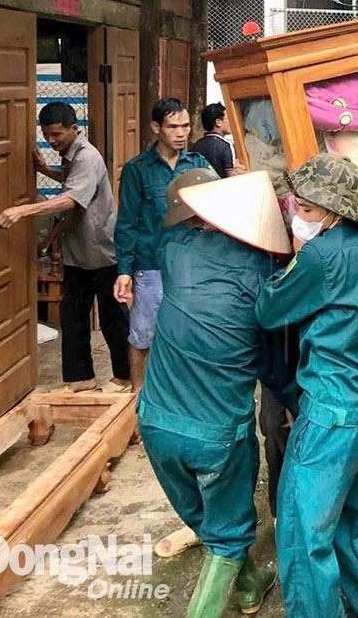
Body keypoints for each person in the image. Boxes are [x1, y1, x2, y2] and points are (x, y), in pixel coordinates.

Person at [255, 153, 358, 618]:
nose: (298, 216)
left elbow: (269, 310)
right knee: (345, 523)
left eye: (307, 209)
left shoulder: (321, 256)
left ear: (335, 212)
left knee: (302, 536)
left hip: (330, 413)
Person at [137, 169, 289, 617]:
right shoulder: (263, 272)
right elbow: (273, 355)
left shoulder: (176, 251)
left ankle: (246, 588)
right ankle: (221, 587)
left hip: (155, 423)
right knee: (226, 536)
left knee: (209, 519)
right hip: (217, 435)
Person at [0, 102, 130, 393]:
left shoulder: (86, 157)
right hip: (78, 252)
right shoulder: (70, 155)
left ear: (74, 128)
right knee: (72, 316)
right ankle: (81, 379)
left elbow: (71, 199)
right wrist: (46, 169)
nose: (52, 140)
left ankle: (126, 376)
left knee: (112, 318)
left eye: (57, 134)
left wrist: (22, 211)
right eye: (46, 135)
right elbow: (74, 185)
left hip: (102, 251)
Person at [113, 98, 212, 391]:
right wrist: (124, 271)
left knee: (189, 333)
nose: (181, 133)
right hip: (151, 265)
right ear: (156, 127)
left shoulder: (198, 167)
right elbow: (127, 222)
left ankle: (181, 397)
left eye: (185, 126)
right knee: (143, 334)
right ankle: (137, 399)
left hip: (192, 266)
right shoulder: (137, 170)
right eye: (173, 127)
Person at [191, 102, 245, 178]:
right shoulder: (225, 146)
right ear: (218, 122)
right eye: (228, 118)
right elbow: (231, 178)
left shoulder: (197, 145)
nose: (231, 122)